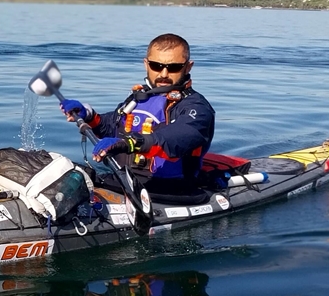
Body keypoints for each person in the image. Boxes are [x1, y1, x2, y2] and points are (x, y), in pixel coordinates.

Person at [59, 33, 215, 192]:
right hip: (123, 181)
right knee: (58, 170)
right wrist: (89, 115)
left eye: (174, 67)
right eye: (156, 65)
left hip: (171, 190)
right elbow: (113, 126)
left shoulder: (197, 107)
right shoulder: (139, 98)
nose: (163, 74)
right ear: (146, 64)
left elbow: (179, 137)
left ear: (188, 67)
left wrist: (129, 143)